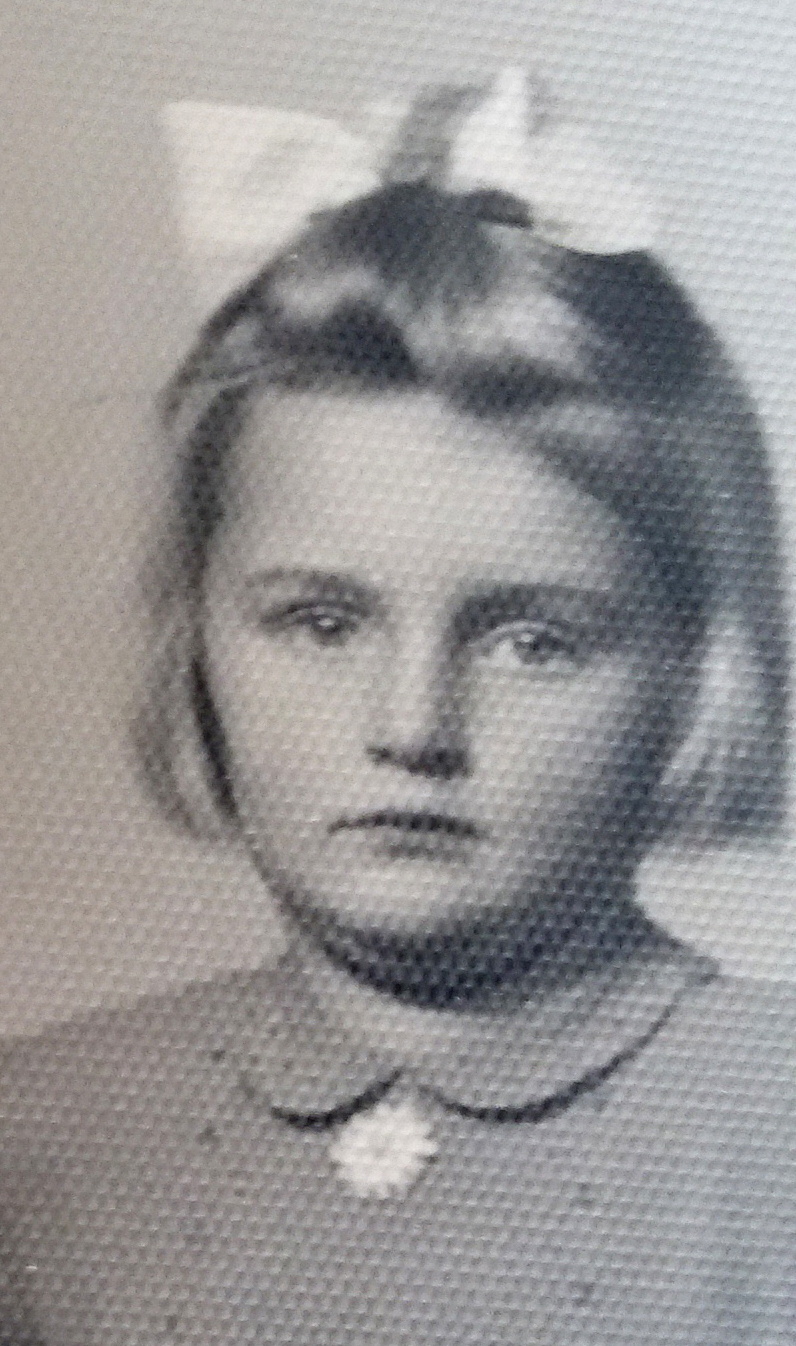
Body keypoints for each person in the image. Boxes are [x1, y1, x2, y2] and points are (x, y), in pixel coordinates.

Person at [1, 70, 793, 1346]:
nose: (412, 725)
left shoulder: (766, 1126)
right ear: (198, 641)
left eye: (533, 641)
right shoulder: (40, 1138)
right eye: (322, 623)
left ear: (691, 671)